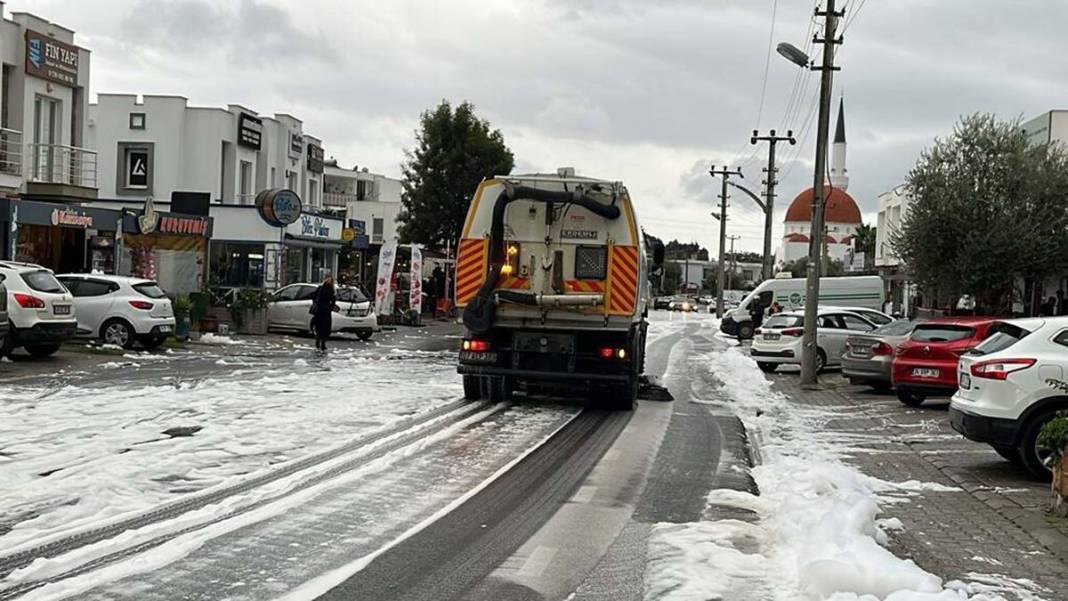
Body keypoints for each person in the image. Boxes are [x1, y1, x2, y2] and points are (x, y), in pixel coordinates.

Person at [311, 275, 337, 351]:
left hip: (322, 311)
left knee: (321, 327)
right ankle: (321, 342)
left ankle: (321, 342)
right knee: (323, 327)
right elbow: (333, 300)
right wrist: (330, 307)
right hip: (323, 311)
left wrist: (330, 307)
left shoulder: (327, 289)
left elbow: (333, 300)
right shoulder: (325, 289)